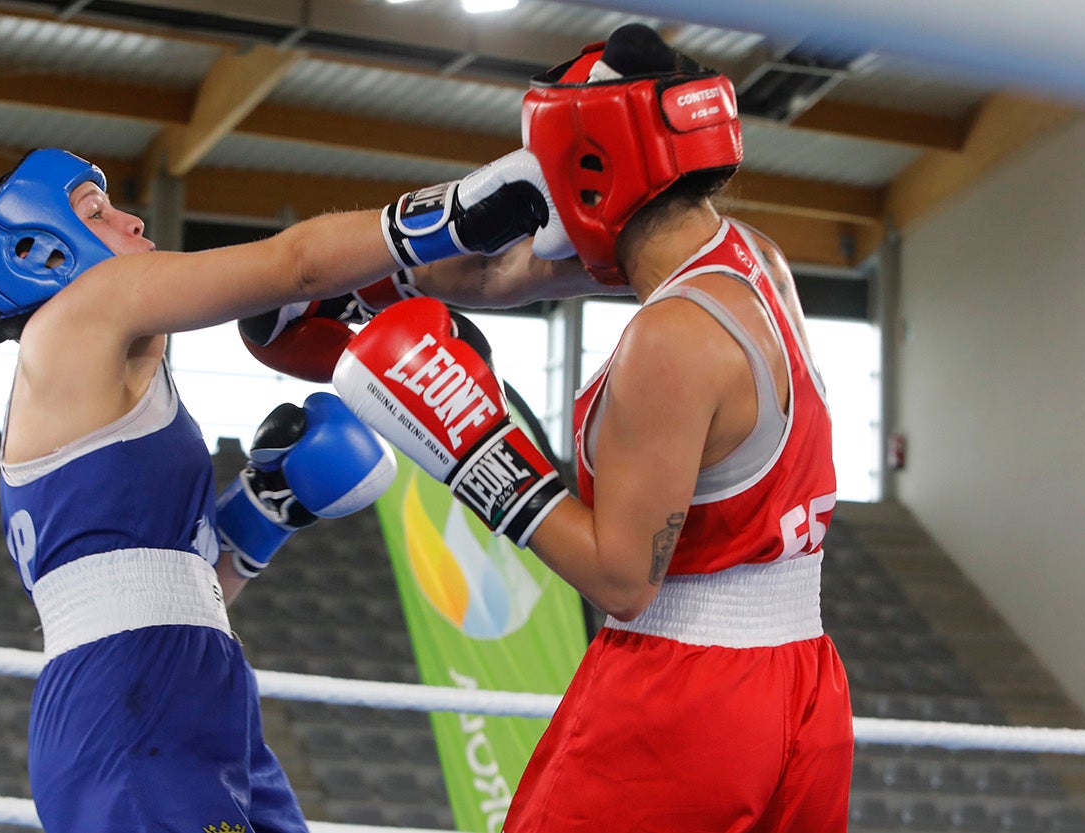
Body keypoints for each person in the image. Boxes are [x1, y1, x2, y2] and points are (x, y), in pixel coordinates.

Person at [0, 145, 576, 833]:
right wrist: (462, 211)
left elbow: (163, 589)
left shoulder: (89, 378)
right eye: (96, 211)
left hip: (178, 682)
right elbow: (293, 264)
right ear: (41, 252)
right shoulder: (80, 313)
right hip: (132, 699)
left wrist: (267, 509)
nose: (133, 220)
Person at [333, 23, 852, 832]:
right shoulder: (749, 256)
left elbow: (622, 580)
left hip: (684, 690)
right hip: (802, 684)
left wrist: (477, 451)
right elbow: (498, 275)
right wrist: (433, 232)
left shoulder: (672, 338)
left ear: (589, 170)